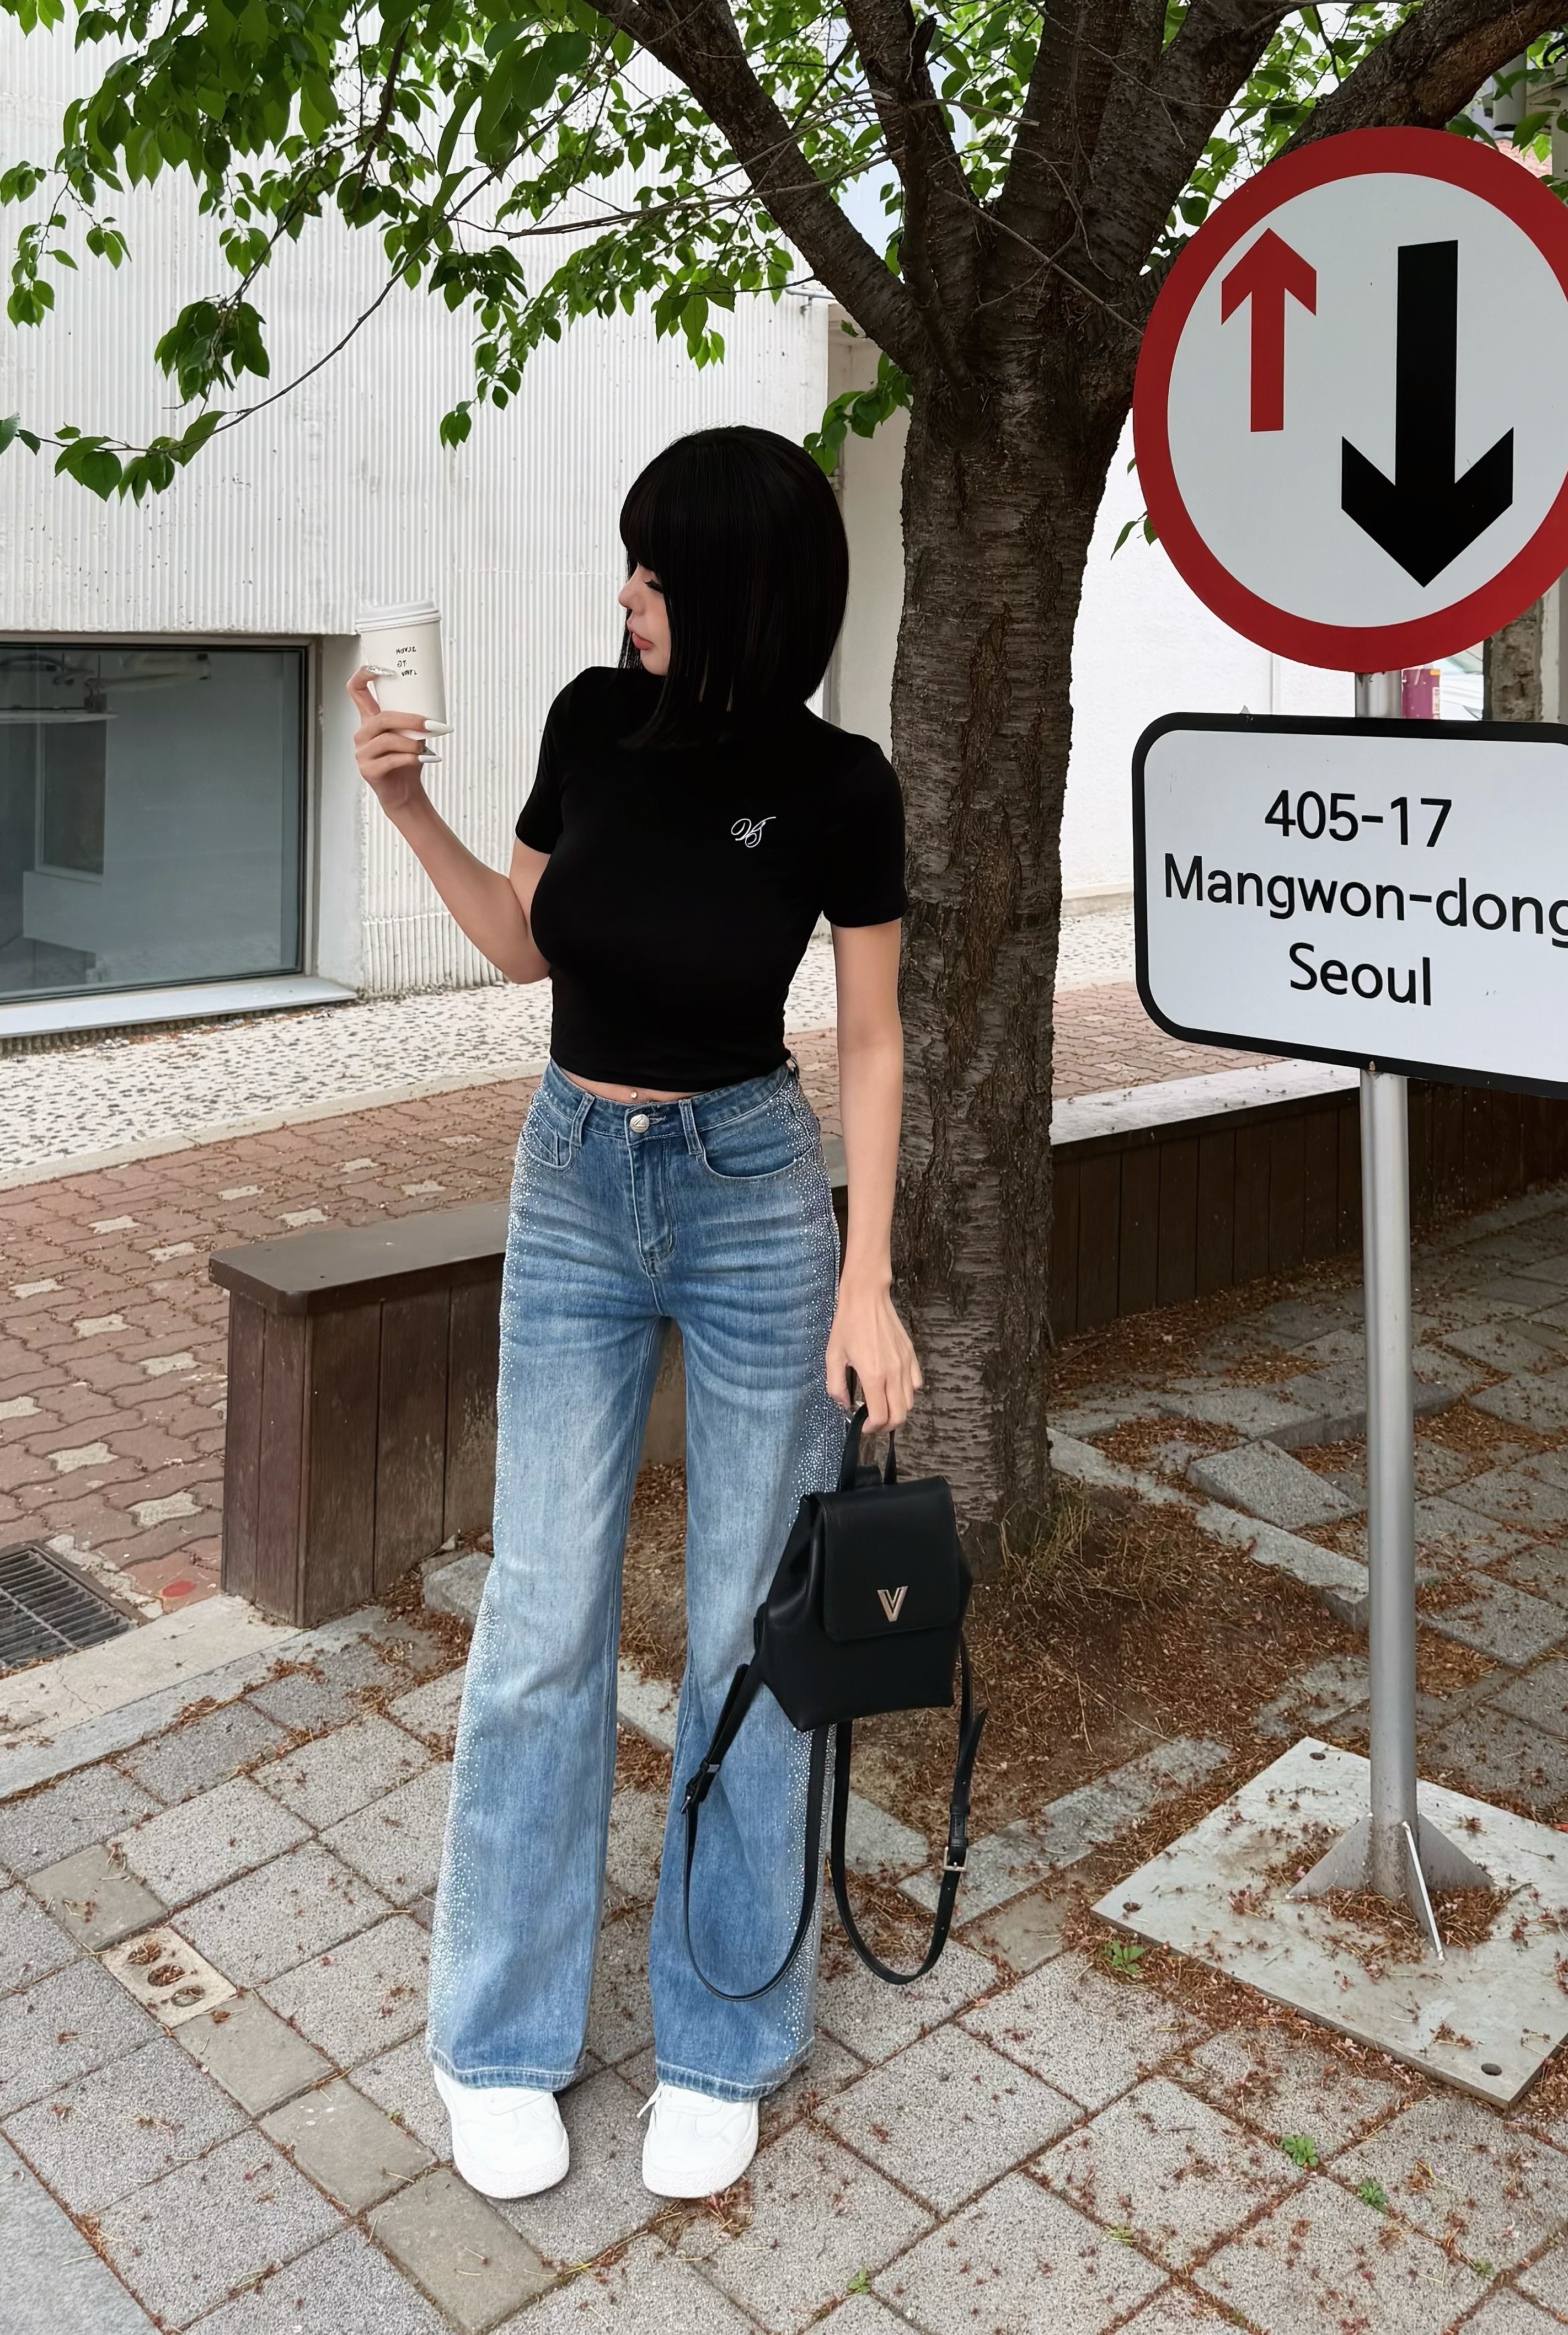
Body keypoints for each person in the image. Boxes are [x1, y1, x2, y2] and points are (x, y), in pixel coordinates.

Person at [349, 424, 919, 2206]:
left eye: (656, 574)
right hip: (575, 1185)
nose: (626, 598)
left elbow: (874, 1038)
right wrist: (407, 809)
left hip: (753, 1198)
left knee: (749, 1628)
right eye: (630, 567)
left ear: (742, 595)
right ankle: (496, 2035)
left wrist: (868, 1279)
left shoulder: (840, 786)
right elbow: (524, 948)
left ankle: (724, 2031)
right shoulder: (591, 722)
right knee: (539, 1615)